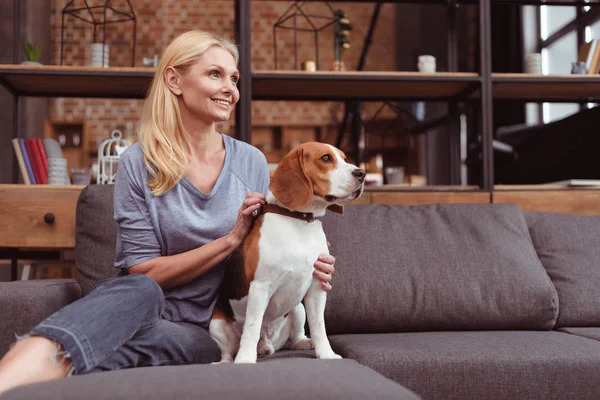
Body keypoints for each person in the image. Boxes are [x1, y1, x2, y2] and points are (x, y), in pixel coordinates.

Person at [0, 30, 335, 395]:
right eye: (215, 74)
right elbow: (145, 272)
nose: (230, 89)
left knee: (151, 345)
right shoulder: (137, 163)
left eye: (234, 78)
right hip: (138, 305)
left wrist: (308, 260)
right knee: (139, 288)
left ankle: (23, 370)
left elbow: (273, 243)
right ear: (174, 80)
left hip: (207, 325)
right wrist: (229, 240)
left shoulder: (250, 161)